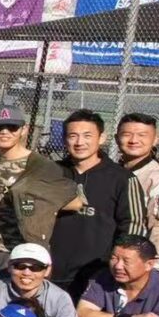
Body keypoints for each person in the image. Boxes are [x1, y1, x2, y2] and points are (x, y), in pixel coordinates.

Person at [0, 106, 78, 282]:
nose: (5, 132)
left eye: (12, 127)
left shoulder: (40, 165)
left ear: (24, 129)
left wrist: (29, 200)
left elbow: (75, 202)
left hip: (21, 251)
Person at [55, 111, 125, 295]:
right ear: (64, 139)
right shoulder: (52, 173)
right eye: (73, 136)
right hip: (52, 271)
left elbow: (131, 225)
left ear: (101, 138)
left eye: (87, 136)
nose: (79, 142)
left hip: (96, 277)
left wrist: (115, 264)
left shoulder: (121, 178)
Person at [115, 113, 159, 268]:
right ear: (117, 138)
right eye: (127, 134)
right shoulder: (115, 172)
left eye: (142, 135)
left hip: (136, 263)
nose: (133, 140)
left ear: (155, 139)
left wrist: (154, 266)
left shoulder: (158, 179)